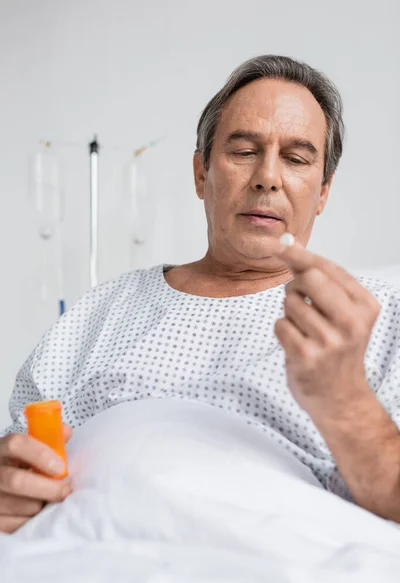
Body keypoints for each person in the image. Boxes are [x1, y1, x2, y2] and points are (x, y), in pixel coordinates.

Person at [1, 55, 399, 534]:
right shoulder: (99, 313)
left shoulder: (374, 320)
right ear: (200, 174)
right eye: (244, 151)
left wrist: (348, 403)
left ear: (322, 193)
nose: (268, 177)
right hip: (88, 560)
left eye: (295, 159)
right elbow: (20, 468)